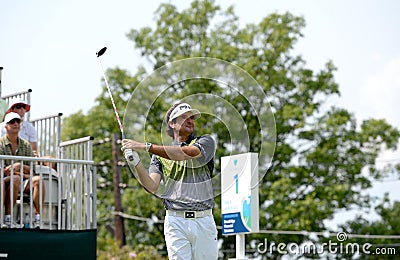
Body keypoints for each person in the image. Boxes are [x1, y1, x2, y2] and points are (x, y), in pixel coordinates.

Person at [121, 102, 218, 260]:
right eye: (184, 117)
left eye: (192, 118)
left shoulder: (206, 142)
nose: (190, 120)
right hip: (175, 220)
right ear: (172, 124)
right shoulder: (158, 155)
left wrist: (145, 146)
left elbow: (186, 153)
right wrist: (136, 163)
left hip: (203, 220)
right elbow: (152, 186)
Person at [0, 112, 45, 228]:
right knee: (15, 179)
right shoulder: (0, 144)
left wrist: (17, 166)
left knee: (38, 180)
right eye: (12, 122)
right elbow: (2, 172)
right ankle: (8, 219)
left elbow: (32, 171)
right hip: (5, 180)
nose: (16, 124)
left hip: (21, 179)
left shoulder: (26, 145)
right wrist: (21, 170)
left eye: (18, 121)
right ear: (6, 126)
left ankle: (38, 219)